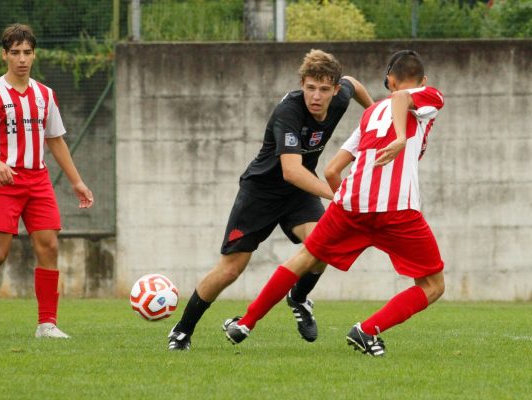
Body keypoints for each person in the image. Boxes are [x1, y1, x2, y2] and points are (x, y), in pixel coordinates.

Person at [223, 50, 445, 357]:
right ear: (421, 80)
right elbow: (401, 99)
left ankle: (245, 322)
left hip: (350, 204)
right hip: (396, 208)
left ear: (388, 80)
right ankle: (366, 331)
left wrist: (347, 200)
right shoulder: (427, 95)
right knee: (433, 285)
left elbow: (331, 171)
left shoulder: (370, 115)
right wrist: (401, 138)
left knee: (303, 258)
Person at [168, 49, 373, 350]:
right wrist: (337, 195)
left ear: (333, 90)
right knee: (231, 269)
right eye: (310, 87)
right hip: (261, 193)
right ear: (302, 83)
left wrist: (376, 114)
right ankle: (182, 331)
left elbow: (354, 84)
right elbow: (291, 171)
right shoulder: (288, 112)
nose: (316, 95)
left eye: (324, 89)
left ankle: (299, 299)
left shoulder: (341, 95)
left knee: (323, 245)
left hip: (298, 194)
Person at [0, 23, 94, 339]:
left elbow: (56, 140)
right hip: (4, 182)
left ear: (34, 55)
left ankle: (46, 324)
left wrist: (77, 182)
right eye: (15, 53)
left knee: (48, 245)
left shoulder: (45, 95)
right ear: (4, 55)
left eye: (27, 52)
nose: (22, 59)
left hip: (38, 180)